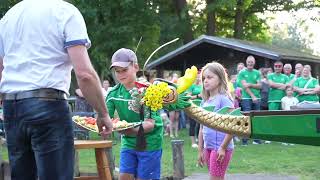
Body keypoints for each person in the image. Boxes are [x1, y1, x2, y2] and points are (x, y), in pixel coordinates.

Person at [0, 0, 113, 179]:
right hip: (48, 104)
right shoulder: (65, 12)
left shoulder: (9, 17)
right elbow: (84, 74)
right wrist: (103, 113)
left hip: (12, 106)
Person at [106, 48, 163, 180]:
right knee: (124, 176)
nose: (120, 74)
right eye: (117, 71)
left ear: (135, 67)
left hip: (150, 142)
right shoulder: (113, 94)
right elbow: (106, 119)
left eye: (124, 70)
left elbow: (150, 124)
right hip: (128, 142)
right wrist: (104, 126)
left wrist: (129, 130)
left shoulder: (148, 91)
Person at [197, 62, 234, 180]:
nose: (205, 81)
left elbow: (232, 126)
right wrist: (200, 150)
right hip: (209, 147)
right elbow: (202, 128)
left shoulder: (224, 100)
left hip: (220, 148)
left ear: (220, 79)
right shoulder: (205, 102)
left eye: (209, 77)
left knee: (215, 178)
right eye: (204, 78)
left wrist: (223, 147)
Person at [236, 55, 262, 145]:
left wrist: (250, 84)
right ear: (246, 62)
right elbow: (244, 86)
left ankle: (257, 140)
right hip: (247, 98)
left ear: (254, 63)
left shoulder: (257, 73)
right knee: (246, 119)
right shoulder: (242, 73)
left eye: (252, 62)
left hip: (257, 98)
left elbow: (260, 86)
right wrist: (252, 96)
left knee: (257, 119)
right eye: (249, 62)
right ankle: (245, 141)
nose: (250, 63)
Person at [186, 73, 202, 148]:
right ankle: (193, 142)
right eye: (196, 77)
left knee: (200, 124)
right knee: (193, 124)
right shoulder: (191, 86)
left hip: (202, 107)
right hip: (193, 107)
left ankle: (199, 140)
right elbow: (188, 97)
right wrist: (198, 96)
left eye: (199, 77)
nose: (198, 78)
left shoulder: (202, 85)